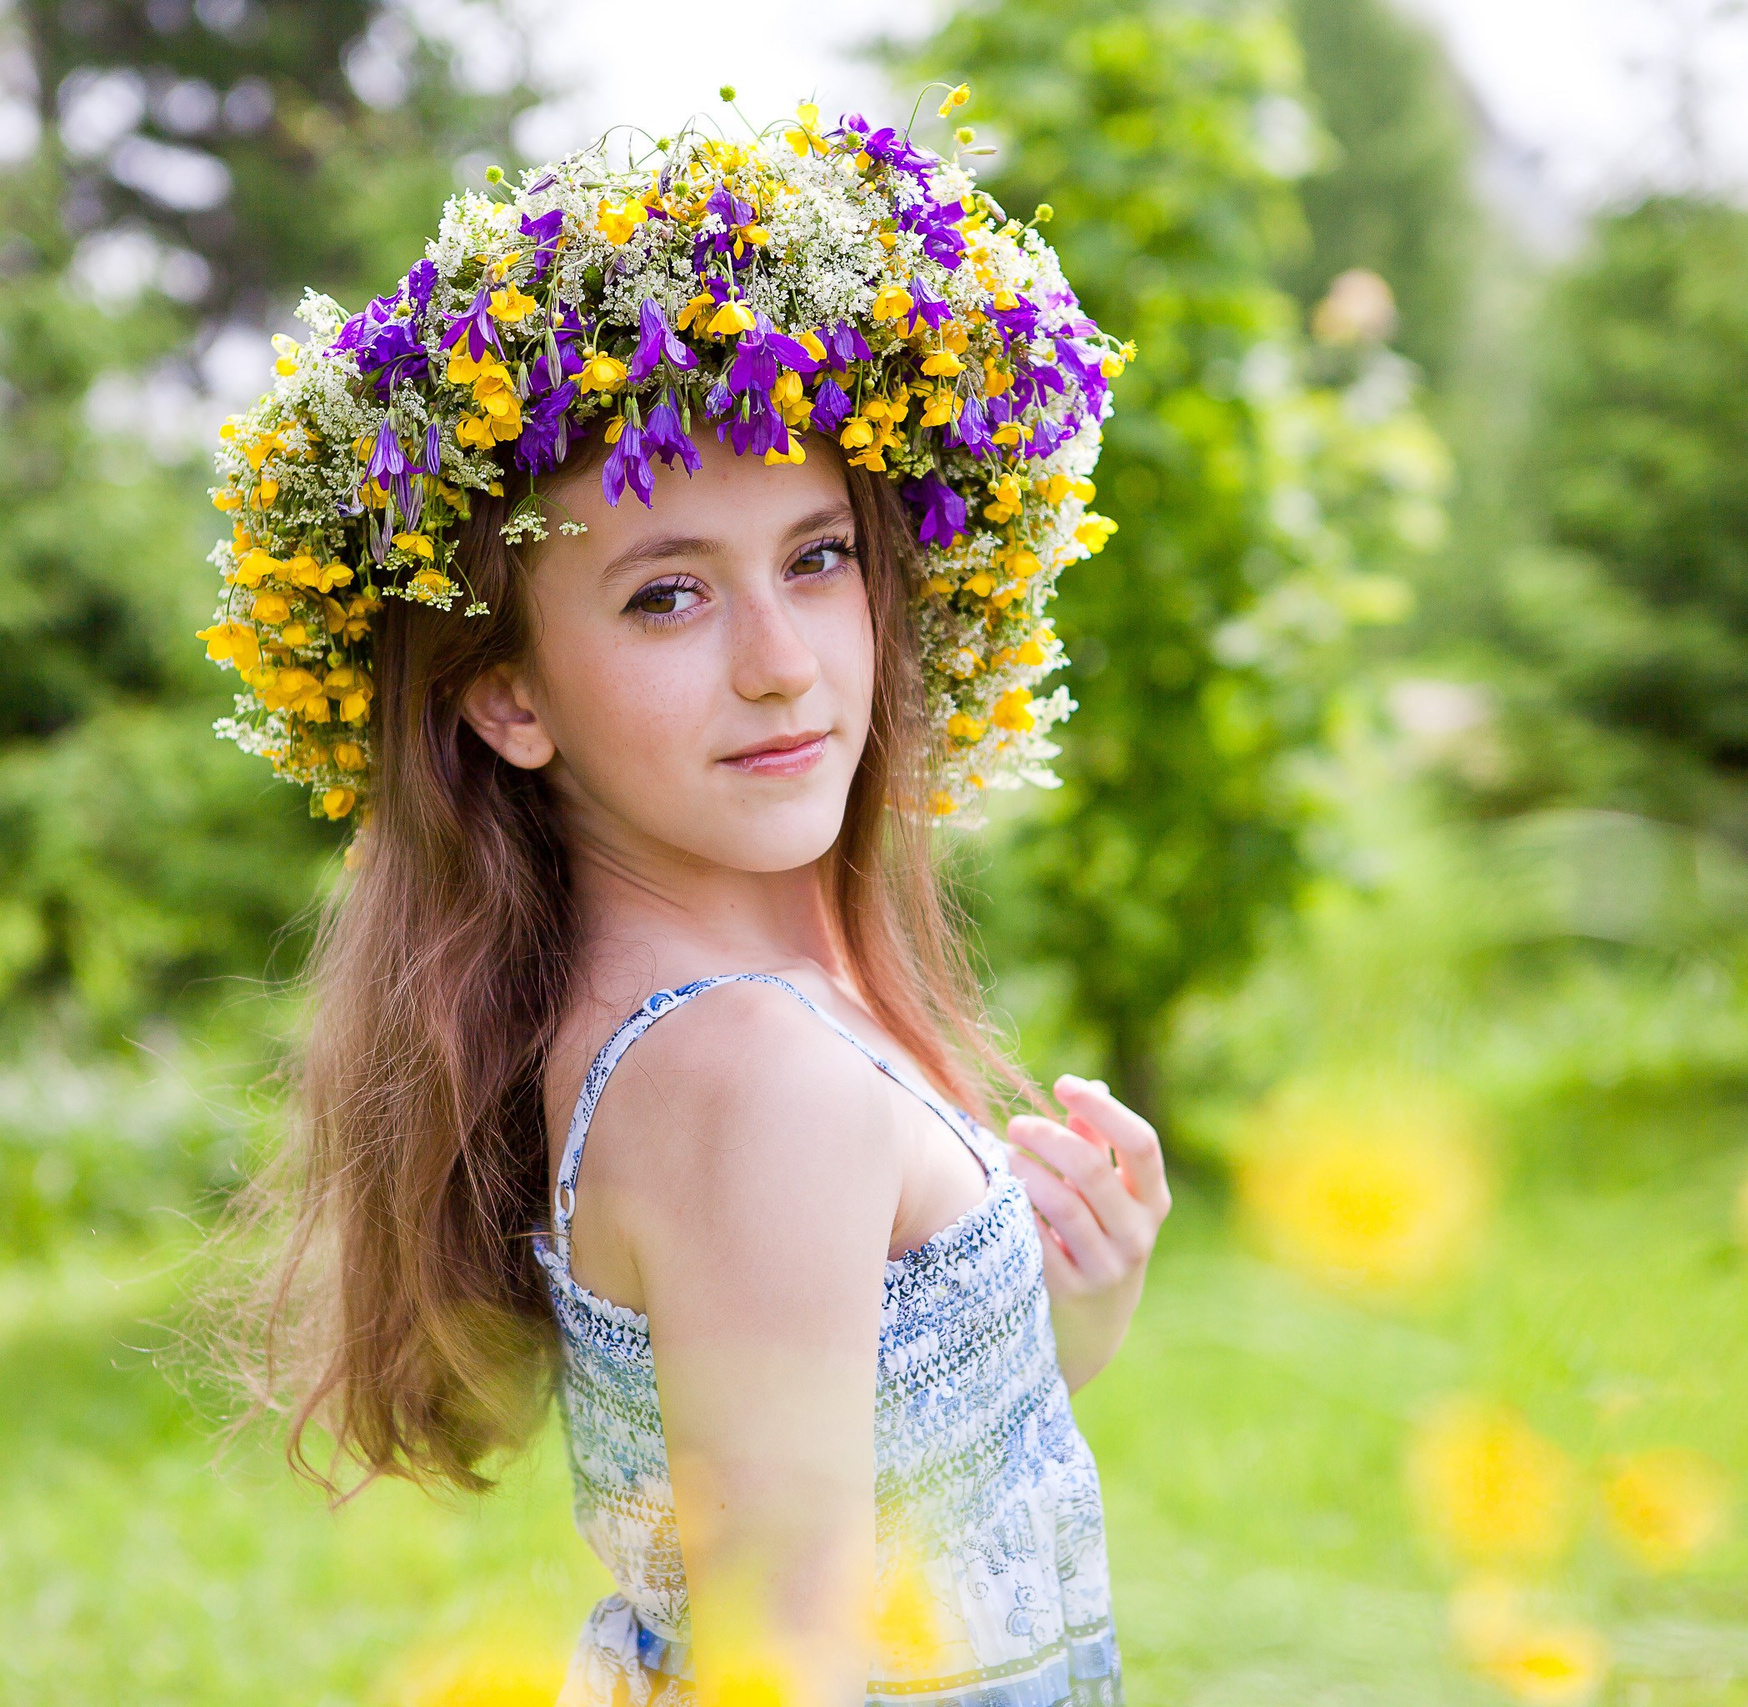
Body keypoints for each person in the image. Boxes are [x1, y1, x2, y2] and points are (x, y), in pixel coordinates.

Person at [208, 90, 1164, 1705]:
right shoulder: (747, 1075)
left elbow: (867, 1499)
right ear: (508, 697)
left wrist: (1052, 1323)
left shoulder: (721, 1027)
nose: (784, 663)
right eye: (668, 595)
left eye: (817, 556)